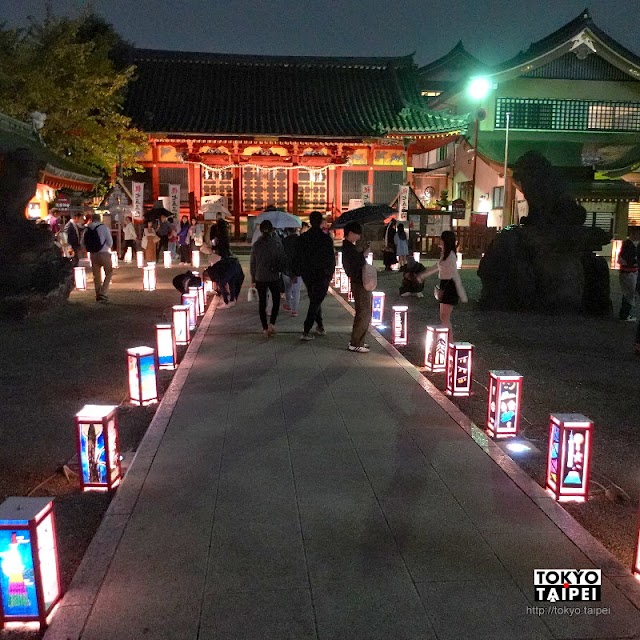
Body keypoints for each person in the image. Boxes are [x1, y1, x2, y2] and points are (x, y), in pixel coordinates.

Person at [293, 211, 335, 341]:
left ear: (310, 221)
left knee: (314, 299)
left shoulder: (303, 237)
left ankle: (320, 326)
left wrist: (296, 272)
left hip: (308, 274)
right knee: (315, 301)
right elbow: (330, 258)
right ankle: (306, 330)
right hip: (322, 274)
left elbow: (297, 257)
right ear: (321, 221)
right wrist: (330, 274)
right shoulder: (326, 238)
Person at [416, 230, 468, 338]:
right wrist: (423, 275)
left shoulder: (451, 256)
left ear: (445, 241)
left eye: (441, 238)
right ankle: (448, 342)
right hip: (445, 285)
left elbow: (455, 275)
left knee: (444, 317)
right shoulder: (445, 254)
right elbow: (437, 267)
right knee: (443, 317)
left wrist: (462, 294)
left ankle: (449, 342)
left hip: (449, 286)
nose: (439, 240)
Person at [250, 219, 287, 337]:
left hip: (260, 276)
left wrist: (253, 279)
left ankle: (264, 328)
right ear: (272, 230)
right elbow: (282, 258)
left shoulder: (256, 245)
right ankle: (272, 323)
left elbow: (252, 263)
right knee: (276, 300)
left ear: (261, 230)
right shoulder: (277, 243)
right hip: (274, 276)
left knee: (262, 302)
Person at [342, 221, 371, 352]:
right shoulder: (348, 248)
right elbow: (355, 265)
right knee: (363, 312)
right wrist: (363, 255)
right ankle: (356, 342)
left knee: (363, 312)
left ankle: (358, 340)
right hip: (358, 283)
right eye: (357, 234)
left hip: (358, 282)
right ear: (351, 233)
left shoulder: (349, 247)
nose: (359, 236)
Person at [84, 213, 113, 303]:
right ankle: (103, 293)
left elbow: (82, 242)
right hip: (104, 253)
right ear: (100, 219)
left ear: (91, 219)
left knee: (96, 276)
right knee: (109, 272)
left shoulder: (87, 228)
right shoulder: (104, 227)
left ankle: (98, 295)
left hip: (93, 254)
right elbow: (110, 242)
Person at [281, 227, 302, 317]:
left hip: (286, 269)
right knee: (296, 291)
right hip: (298, 269)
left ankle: (289, 305)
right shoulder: (301, 241)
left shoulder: (284, 241)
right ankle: (295, 310)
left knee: (288, 288)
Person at [617, 234, 638, 321]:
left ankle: (625, 314)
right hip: (629, 272)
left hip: (628, 271)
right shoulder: (630, 245)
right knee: (629, 293)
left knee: (628, 293)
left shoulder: (627, 244)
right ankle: (625, 314)